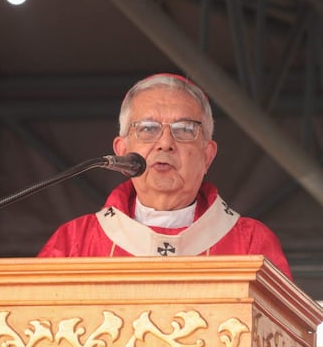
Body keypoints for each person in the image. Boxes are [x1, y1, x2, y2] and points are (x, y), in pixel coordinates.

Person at [38, 73, 292, 280]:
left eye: (184, 129)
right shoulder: (75, 242)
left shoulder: (250, 243)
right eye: (147, 128)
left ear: (207, 156)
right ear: (122, 151)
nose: (165, 143)